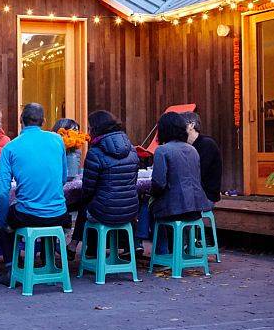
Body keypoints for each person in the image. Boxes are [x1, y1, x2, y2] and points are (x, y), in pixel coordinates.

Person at [0, 102, 70, 283]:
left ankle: (11, 269)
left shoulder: (10, 148)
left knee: (4, 221)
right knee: (36, 215)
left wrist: (2, 221)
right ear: (44, 121)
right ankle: (48, 262)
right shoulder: (57, 141)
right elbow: (63, 178)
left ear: (21, 120)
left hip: (27, 214)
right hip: (59, 214)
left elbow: (2, 194)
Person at [137, 111, 212, 256]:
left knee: (149, 205)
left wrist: (151, 193)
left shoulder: (162, 151)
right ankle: (175, 249)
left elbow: (159, 183)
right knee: (154, 205)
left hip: (174, 208)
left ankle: (161, 252)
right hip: (196, 208)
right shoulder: (193, 150)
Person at [68, 110, 138, 259]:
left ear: (96, 129)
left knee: (87, 204)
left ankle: (80, 246)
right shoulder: (132, 150)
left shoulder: (95, 153)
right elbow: (133, 181)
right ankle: (129, 245)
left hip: (105, 211)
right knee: (95, 203)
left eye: (89, 128)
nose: (87, 131)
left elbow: (88, 189)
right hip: (130, 211)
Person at [182, 111, 222, 204]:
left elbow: (197, 173)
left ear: (192, 125)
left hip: (205, 195)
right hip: (192, 193)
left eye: (181, 125)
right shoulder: (187, 145)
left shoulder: (207, 144)